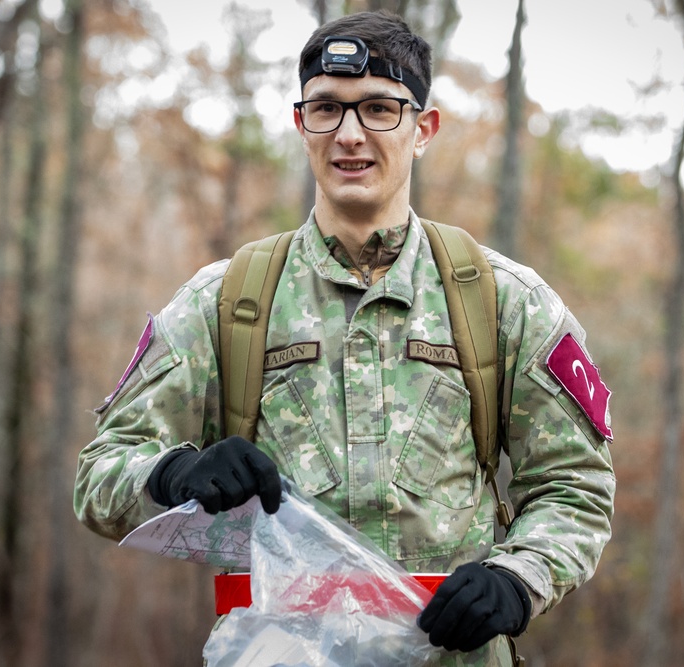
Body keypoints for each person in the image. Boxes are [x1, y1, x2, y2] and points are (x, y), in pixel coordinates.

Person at [74, 10, 615, 666]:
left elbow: (575, 484)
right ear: (301, 124)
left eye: (380, 109)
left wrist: (518, 578)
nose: (350, 135)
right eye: (327, 109)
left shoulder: (502, 301)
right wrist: (173, 472)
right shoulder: (229, 301)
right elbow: (98, 475)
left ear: (424, 128)